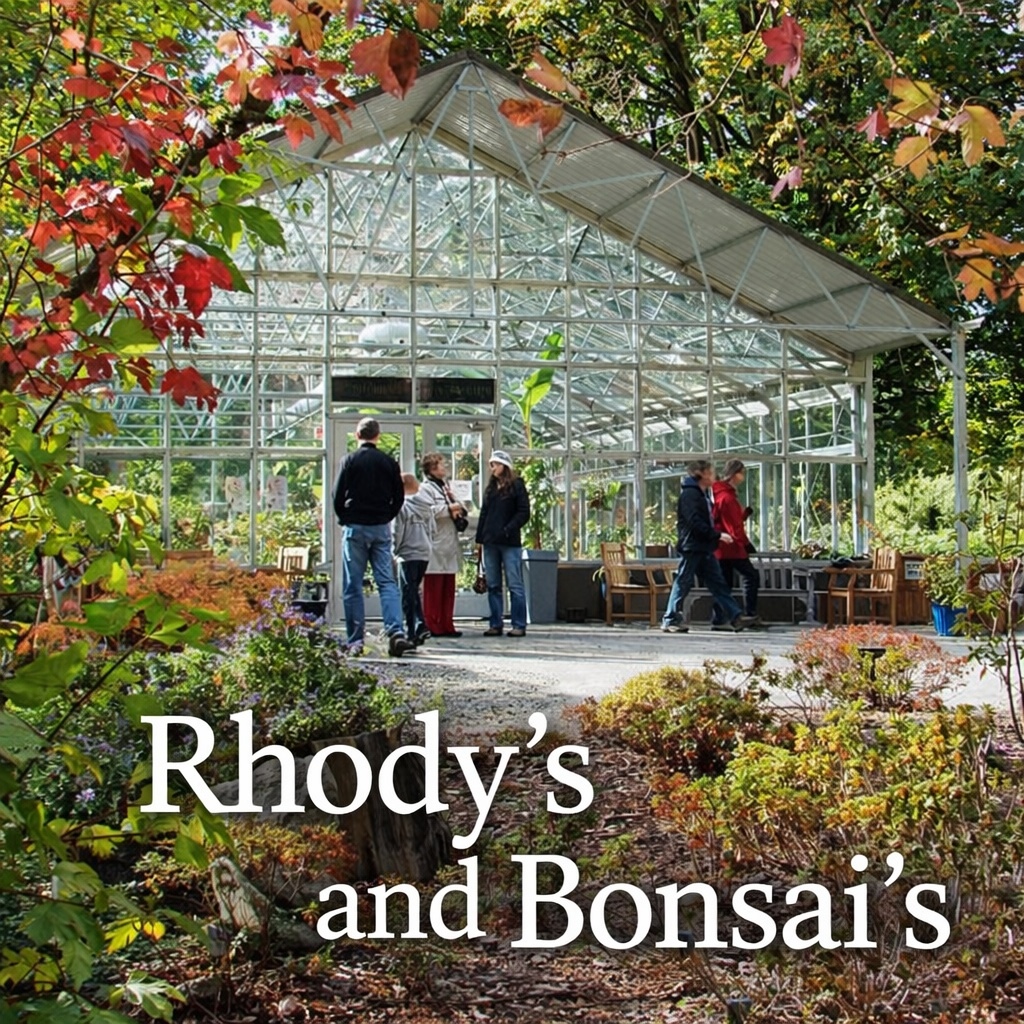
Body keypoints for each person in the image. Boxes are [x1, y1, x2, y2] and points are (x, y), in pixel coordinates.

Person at [332, 417, 414, 657]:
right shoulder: (389, 462)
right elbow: (399, 496)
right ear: (378, 436)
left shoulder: (349, 460)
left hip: (355, 527)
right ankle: (395, 632)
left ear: (357, 435)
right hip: (380, 527)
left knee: (353, 585)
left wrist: (345, 518)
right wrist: (386, 516)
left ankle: (355, 641)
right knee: (386, 582)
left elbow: (337, 495)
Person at [661, 460, 757, 634]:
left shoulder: (701, 494)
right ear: (702, 473)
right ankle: (670, 619)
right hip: (693, 546)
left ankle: (734, 617)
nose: (714, 476)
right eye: (711, 472)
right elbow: (694, 521)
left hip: (703, 546)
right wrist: (717, 535)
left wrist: (713, 536)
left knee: (717, 583)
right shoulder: (691, 495)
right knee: (683, 581)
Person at [474, 450, 530, 637]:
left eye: (496, 464)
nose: (493, 468)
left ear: (505, 466)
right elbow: (484, 513)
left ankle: (519, 624)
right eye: (491, 465)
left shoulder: (516, 485)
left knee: (515, 584)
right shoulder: (491, 488)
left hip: (509, 543)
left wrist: (508, 529)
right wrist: (480, 539)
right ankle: (495, 623)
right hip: (490, 542)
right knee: (493, 585)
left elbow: (524, 512)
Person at [711, 459, 763, 629]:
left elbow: (726, 520)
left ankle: (720, 618)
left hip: (720, 547)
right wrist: (746, 544)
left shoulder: (719, 494)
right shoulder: (728, 497)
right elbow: (734, 527)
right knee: (751, 576)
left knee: (724, 582)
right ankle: (750, 613)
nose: (743, 476)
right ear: (734, 474)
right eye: (741, 472)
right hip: (732, 546)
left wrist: (742, 516)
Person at [420, 452, 466, 638]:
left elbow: (458, 505)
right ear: (432, 468)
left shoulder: (446, 487)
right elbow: (427, 511)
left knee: (448, 586)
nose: (445, 467)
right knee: (434, 586)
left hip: (449, 543)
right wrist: (448, 509)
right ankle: (432, 623)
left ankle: (447, 623)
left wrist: (459, 507)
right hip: (436, 543)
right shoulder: (425, 489)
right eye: (441, 464)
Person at [392, 473, 435, 647]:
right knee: (414, 590)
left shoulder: (401, 507)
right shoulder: (426, 507)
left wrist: (394, 551)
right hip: (424, 553)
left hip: (407, 554)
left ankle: (413, 628)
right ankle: (418, 628)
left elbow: (398, 531)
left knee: (407, 593)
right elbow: (433, 530)